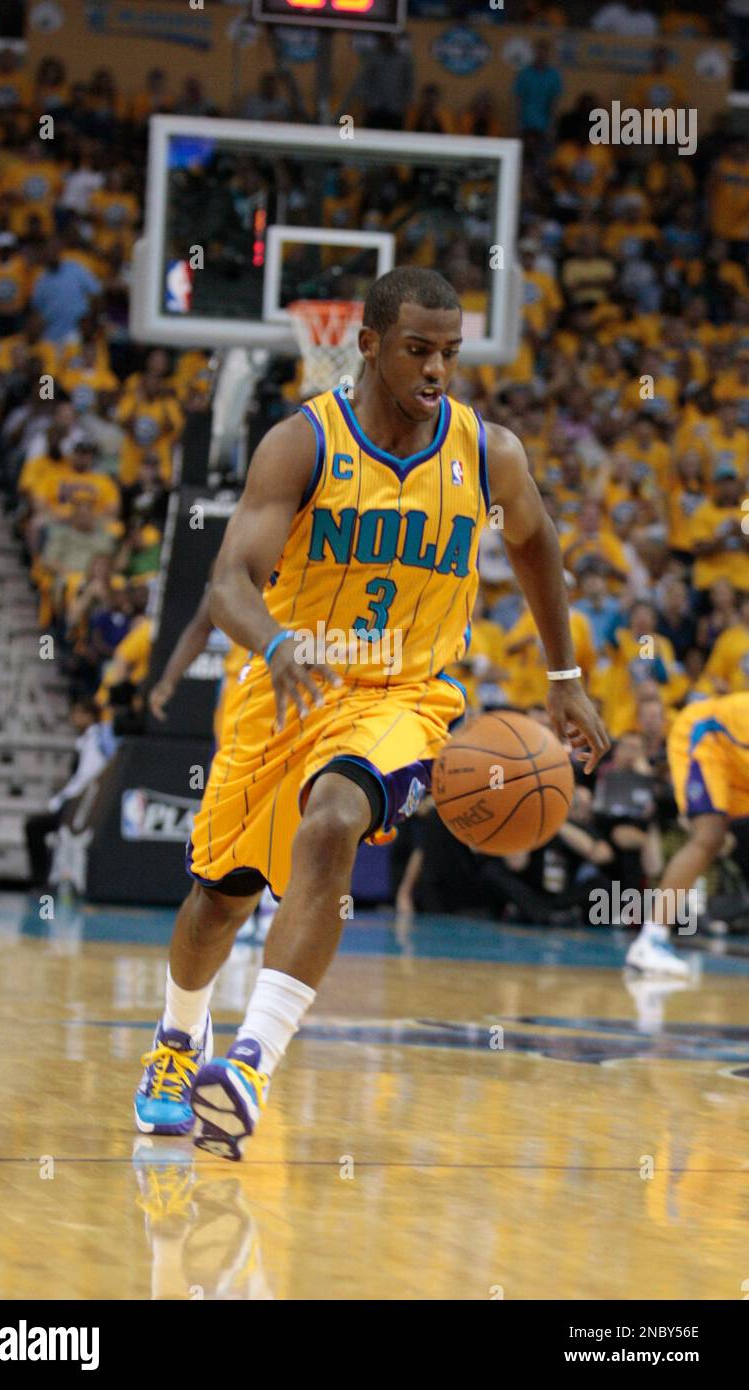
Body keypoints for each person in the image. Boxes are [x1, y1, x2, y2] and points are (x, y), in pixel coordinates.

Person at [132, 267, 610, 1158]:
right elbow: (228, 581)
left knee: (332, 824)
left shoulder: (487, 451)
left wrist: (564, 672)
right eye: (417, 351)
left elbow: (537, 541)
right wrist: (277, 646)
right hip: (283, 691)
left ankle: (246, 1068)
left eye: (450, 354)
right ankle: (176, 1040)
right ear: (366, 346)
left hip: (405, 695)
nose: (437, 370)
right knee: (219, 899)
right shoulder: (300, 443)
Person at [626, 692, 749, 977]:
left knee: (713, 838)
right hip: (706, 735)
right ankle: (651, 940)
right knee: (709, 836)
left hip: (738, 753)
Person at [24, 697, 112, 889]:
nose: (73, 718)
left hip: (78, 807)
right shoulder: (87, 740)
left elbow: (86, 777)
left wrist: (61, 801)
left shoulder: (95, 739)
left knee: (34, 826)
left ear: (89, 716)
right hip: (75, 803)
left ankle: (41, 881)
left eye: (78, 713)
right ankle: (44, 879)